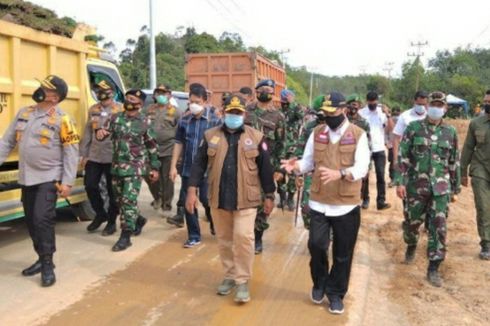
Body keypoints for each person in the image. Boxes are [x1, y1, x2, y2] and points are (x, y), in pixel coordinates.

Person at [281, 92, 369, 315]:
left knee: (342, 253)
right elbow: (309, 161)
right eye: (325, 113)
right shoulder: (317, 133)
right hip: (319, 203)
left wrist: (340, 173)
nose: (328, 117)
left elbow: (362, 168)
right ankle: (319, 283)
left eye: (332, 112)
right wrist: (296, 166)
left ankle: (336, 294)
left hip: (346, 205)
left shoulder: (358, 134)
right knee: (317, 246)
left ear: (343, 110)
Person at [186, 95, 275, 303]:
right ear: (223, 113)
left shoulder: (257, 137)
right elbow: (198, 165)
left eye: (238, 113)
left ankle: (242, 280)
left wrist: (269, 195)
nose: (234, 116)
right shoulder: (210, 136)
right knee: (225, 241)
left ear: (244, 114)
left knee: (244, 238)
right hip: (219, 197)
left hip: (247, 199)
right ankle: (229, 275)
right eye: (230, 112)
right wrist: (191, 190)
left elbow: (266, 169)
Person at [0, 75, 80, 286]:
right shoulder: (24, 113)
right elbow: (6, 142)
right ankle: (40, 256)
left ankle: (47, 264)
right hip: (27, 177)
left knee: (42, 220)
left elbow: (71, 152)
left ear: (55, 97)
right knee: (31, 221)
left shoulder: (64, 119)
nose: (39, 89)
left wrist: (68, 182)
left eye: (46, 88)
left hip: (49, 177)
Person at [394, 91, 461, 287]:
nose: (436, 108)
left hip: (440, 190)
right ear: (427, 107)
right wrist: (399, 182)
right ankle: (411, 243)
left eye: (440, 105)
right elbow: (403, 157)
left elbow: (453, 161)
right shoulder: (414, 128)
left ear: (445, 108)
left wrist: (455, 189)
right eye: (434, 104)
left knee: (438, 227)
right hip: (416, 188)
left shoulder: (451, 132)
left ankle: (434, 267)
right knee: (412, 224)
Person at [97, 89, 160, 251]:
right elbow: (103, 132)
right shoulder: (115, 118)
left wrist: (154, 168)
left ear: (139, 104)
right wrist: (101, 133)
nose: (128, 102)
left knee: (128, 200)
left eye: (132, 99)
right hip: (117, 167)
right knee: (119, 201)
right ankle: (138, 219)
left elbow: (152, 146)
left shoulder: (145, 122)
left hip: (135, 167)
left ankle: (125, 236)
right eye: (127, 99)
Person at [169, 83, 221, 248]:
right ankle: (194, 235)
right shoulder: (184, 120)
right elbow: (178, 143)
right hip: (187, 169)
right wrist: (173, 166)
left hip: (208, 170)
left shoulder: (215, 121)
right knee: (187, 202)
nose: (193, 105)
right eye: (191, 101)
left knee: (207, 199)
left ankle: (213, 221)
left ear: (205, 102)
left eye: (197, 101)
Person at [245, 79, 286, 254]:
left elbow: (281, 144)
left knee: (263, 202)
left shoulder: (278, 116)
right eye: (263, 89)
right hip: (246, 164)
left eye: (270, 90)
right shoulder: (246, 113)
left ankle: (258, 237)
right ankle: (244, 235)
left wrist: (279, 169)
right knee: (245, 200)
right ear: (256, 91)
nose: (266, 92)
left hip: (267, 167)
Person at [80, 80, 123, 236]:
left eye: (103, 91)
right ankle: (100, 213)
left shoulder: (120, 109)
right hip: (95, 155)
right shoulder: (93, 109)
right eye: (98, 90)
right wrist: (84, 154)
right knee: (90, 185)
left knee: (113, 192)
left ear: (111, 92)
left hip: (113, 156)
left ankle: (111, 222)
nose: (100, 94)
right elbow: (87, 133)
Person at [460, 90, 490, 260]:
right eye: (486, 101)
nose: (487, 104)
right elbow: (468, 148)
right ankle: (486, 243)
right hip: (481, 170)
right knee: (484, 207)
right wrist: (462, 171)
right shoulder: (476, 123)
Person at [143, 85, 178, 214]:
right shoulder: (148, 110)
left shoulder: (176, 112)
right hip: (151, 149)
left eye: (164, 93)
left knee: (167, 179)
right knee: (148, 174)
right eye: (158, 93)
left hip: (169, 149)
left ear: (170, 95)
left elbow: (180, 132)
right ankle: (157, 197)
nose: (161, 95)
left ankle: (166, 205)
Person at [294, 95, 328, 229]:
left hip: (332, 171)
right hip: (311, 170)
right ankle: (312, 230)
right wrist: (297, 174)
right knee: (307, 206)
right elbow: (300, 150)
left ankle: (327, 234)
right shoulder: (309, 127)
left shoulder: (340, 128)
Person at [358, 91, 393, 210]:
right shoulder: (361, 113)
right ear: (367, 101)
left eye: (374, 102)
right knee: (364, 175)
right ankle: (365, 199)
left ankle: (381, 201)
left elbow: (390, 129)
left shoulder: (382, 113)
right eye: (370, 102)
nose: (372, 104)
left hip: (379, 148)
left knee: (381, 175)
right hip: (365, 148)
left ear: (377, 101)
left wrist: (388, 115)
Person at [277, 89, 305, 211]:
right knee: (280, 172)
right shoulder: (278, 111)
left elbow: (302, 115)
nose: (287, 100)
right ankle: (282, 197)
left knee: (293, 173)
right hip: (280, 147)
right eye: (286, 97)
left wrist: (292, 102)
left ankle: (290, 198)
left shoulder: (296, 110)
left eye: (290, 97)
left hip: (293, 147)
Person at [345, 94, 371, 209]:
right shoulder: (343, 120)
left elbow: (368, 142)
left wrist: (368, 163)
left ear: (359, 106)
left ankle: (365, 198)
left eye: (356, 105)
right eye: (351, 104)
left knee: (364, 177)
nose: (353, 107)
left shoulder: (364, 123)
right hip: (345, 153)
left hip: (359, 153)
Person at [392, 91, 428, 164]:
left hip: (425, 158)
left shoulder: (430, 117)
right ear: (414, 101)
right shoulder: (405, 116)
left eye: (424, 104)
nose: (421, 107)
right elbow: (396, 138)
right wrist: (395, 159)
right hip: (407, 156)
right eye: (419, 104)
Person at [386, 106, 401, 187]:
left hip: (401, 144)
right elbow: (386, 132)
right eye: (394, 111)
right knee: (392, 162)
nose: (395, 113)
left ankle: (398, 179)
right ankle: (393, 179)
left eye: (397, 111)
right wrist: (386, 142)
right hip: (392, 145)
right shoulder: (389, 120)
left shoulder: (402, 120)